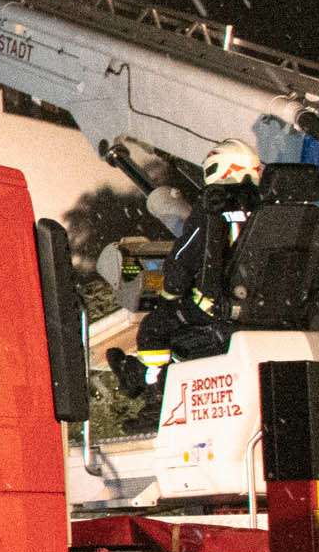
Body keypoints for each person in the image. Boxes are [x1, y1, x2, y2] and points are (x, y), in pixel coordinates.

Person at [111, 141, 263, 416]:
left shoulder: (212, 208)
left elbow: (184, 257)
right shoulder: (270, 209)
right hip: (267, 306)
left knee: (154, 328)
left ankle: (150, 385)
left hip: (217, 309)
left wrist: (169, 294)